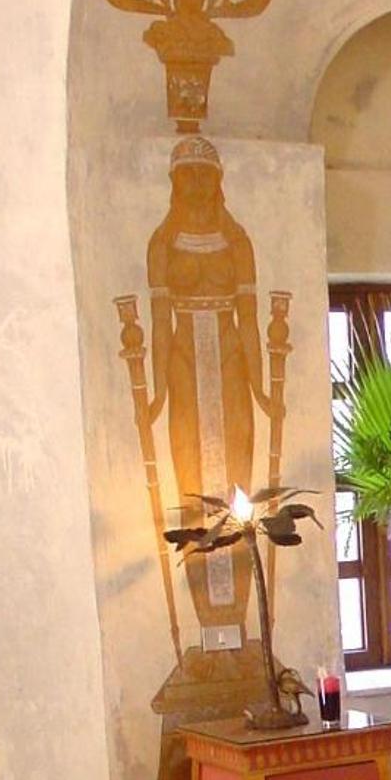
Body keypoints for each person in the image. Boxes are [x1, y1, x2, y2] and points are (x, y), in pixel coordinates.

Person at [146, 135, 268, 629]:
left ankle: (238, 612)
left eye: (204, 174)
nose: (196, 184)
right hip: (183, 361)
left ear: (218, 181)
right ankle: (207, 619)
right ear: (175, 182)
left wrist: (261, 389)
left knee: (236, 471)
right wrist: (156, 392)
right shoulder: (162, 244)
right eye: (187, 174)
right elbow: (159, 323)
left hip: (230, 357)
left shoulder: (237, 242)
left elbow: (250, 319)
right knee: (191, 475)